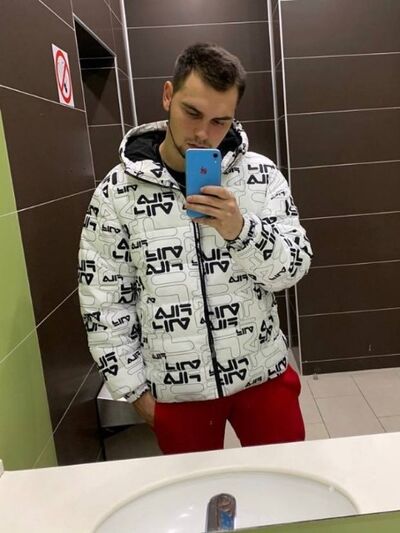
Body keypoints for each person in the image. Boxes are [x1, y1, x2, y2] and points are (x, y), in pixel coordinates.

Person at [78, 43, 312, 455]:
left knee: (286, 483)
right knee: (198, 495)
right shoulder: (116, 193)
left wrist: (241, 230)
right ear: (168, 96)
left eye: (220, 121)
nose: (204, 133)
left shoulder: (261, 176)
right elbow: (103, 300)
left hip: (263, 376)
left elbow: (292, 269)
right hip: (177, 391)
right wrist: (135, 391)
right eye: (192, 113)